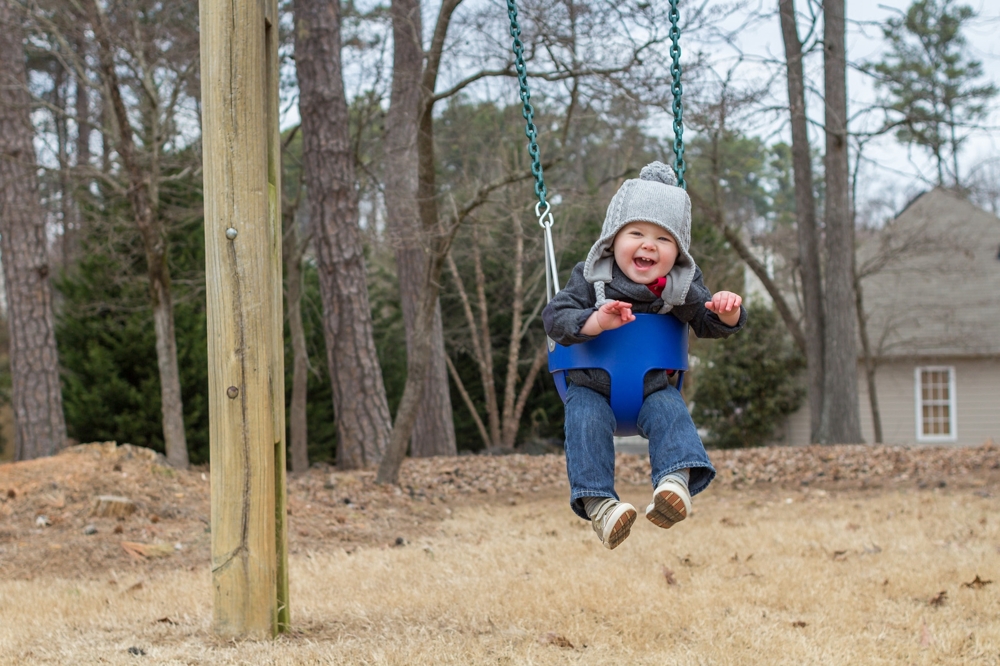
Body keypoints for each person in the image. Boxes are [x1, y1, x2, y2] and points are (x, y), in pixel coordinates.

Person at [542, 161, 746, 550]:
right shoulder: (591, 278)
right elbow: (555, 317)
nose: (649, 245)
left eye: (664, 239)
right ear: (613, 239)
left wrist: (726, 311)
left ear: (678, 252)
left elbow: (707, 322)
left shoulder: (680, 287)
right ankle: (601, 506)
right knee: (584, 420)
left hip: (652, 390)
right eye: (636, 232)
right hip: (590, 389)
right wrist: (595, 322)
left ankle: (674, 485)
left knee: (671, 415)